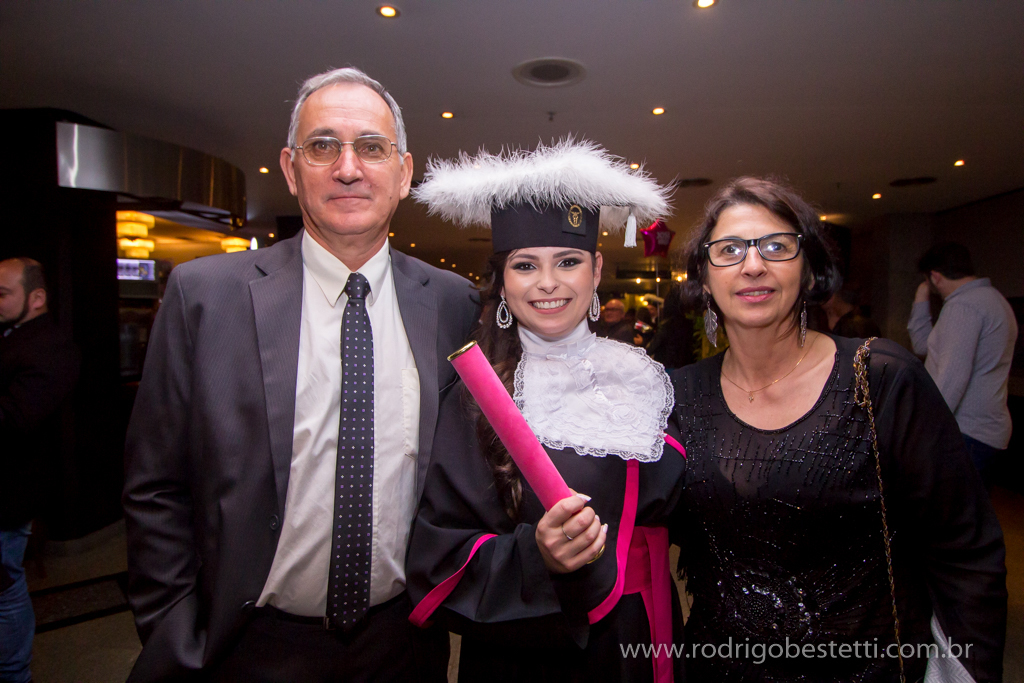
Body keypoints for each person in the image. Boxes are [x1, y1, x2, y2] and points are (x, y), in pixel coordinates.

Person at [122, 67, 478, 682]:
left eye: (372, 147)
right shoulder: (206, 297)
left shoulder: (452, 304)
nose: (348, 168)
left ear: (403, 172)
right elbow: (155, 486)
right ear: (291, 169)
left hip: (405, 646)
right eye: (323, 147)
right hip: (247, 648)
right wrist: (177, 635)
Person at [672, 177, 1006, 682]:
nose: (753, 264)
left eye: (777, 246)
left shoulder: (880, 380)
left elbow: (966, 550)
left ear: (809, 272)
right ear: (704, 276)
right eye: (730, 249)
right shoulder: (679, 396)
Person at [406, 139, 686, 682]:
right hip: (525, 649)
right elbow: (438, 552)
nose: (549, 282)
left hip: (638, 635)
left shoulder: (644, 377)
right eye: (525, 265)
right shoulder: (473, 398)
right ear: (503, 282)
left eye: (568, 262)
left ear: (597, 269)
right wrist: (537, 557)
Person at [0, 257, 79, 683]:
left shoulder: (49, 347)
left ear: (36, 298)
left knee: (5, 586)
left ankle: (14, 673)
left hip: (10, 493)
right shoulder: (14, 337)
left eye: (2, 293)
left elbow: (16, 420)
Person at [908, 242, 1018, 485]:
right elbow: (923, 346)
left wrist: (922, 434)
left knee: (953, 517)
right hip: (986, 429)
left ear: (935, 276)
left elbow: (951, 379)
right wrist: (921, 300)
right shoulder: (994, 299)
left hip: (967, 431)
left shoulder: (963, 306)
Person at [646, 285, 694, 372]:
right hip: (685, 367)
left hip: (667, 367)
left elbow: (652, 347)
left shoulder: (666, 324)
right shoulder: (689, 324)